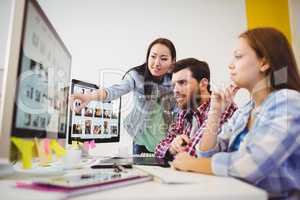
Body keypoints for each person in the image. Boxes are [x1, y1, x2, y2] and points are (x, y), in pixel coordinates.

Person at [171, 28, 300, 199]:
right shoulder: (246, 111)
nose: (230, 64)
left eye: (238, 56)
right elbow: (207, 154)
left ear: (264, 62)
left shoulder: (288, 102)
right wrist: (215, 112)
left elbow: (252, 165)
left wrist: (192, 163)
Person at [70, 38, 177, 154]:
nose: (156, 63)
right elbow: (115, 90)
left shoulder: (176, 82)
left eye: (164, 59)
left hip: (166, 143)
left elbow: (180, 111)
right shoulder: (136, 75)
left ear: (173, 61)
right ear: (147, 57)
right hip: (141, 142)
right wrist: (90, 96)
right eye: (153, 56)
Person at [155, 58, 237, 160]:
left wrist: (179, 149)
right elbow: (159, 149)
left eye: (182, 82)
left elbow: (195, 155)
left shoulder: (223, 106)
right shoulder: (185, 111)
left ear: (203, 84)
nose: (175, 90)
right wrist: (172, 147)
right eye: (173, 85)